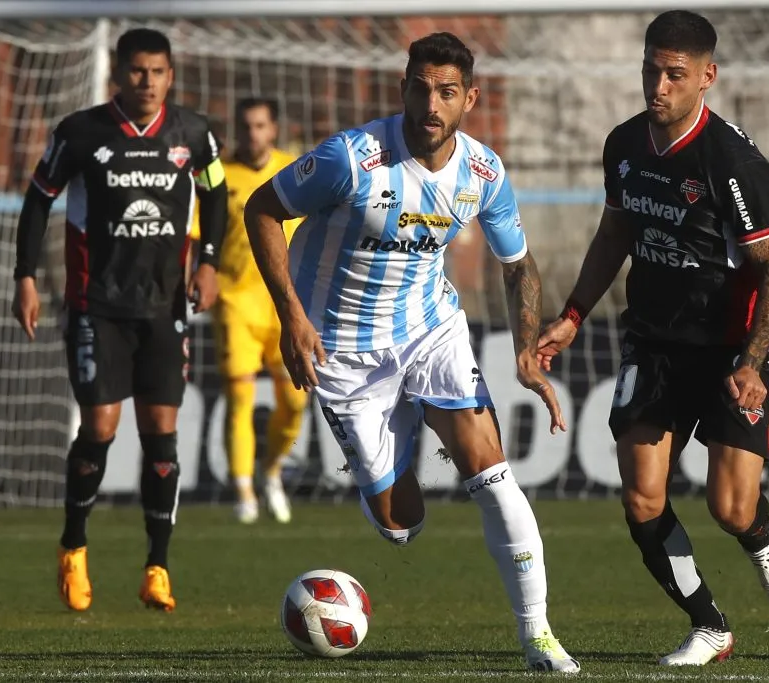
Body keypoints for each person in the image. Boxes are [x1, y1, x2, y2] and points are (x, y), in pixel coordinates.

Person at [243, 32, 580, 673]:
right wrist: (291, 317)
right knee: (402, 524)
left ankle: (537, 635)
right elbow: (261, 209)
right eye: (421, 88)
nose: (432, 103)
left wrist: (527, 353)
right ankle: (398, 445)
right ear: (403, 89)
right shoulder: (353, 158)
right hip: (341, 353)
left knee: (492, 473)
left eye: (447, 92)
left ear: (469, 99)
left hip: (429, 331)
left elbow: (518, 267)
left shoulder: (483, 173)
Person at [538, 10, 769, 666]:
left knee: (729, 506)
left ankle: (759, 532)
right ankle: (710, 624)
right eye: (651, 70)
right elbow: (615, 235)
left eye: (674, 75)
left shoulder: (734, 163)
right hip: (654, 339)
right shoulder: (625, 146)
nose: (658, 85)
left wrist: (749, 361)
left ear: (707, 78)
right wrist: (572, 313)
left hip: (729, 345)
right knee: (640, 495)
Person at [12, 27, 227, 613]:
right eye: (137, 71)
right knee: (101, 429)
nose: (147, 82)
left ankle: (157, 566)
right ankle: (73, 547)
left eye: (158, 71)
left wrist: (209, 262)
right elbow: (38, 199)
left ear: (171, 75)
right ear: (117, 73)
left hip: (164, 307)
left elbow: (216, 197)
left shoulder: (194, 135)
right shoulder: (81, 134)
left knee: (161, 440)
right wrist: (25, 276)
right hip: (95, 306)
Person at [189, 98, 307, 524]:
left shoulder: (297, 169)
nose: (253, 134)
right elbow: (198, 233)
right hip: (236, 303)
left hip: (288, 305)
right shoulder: (219, 173)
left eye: (260, 126)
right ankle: (244, 494)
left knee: (294, 402)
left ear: (273, 130)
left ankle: (271, 472)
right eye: (246, 126)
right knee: (239, 397)